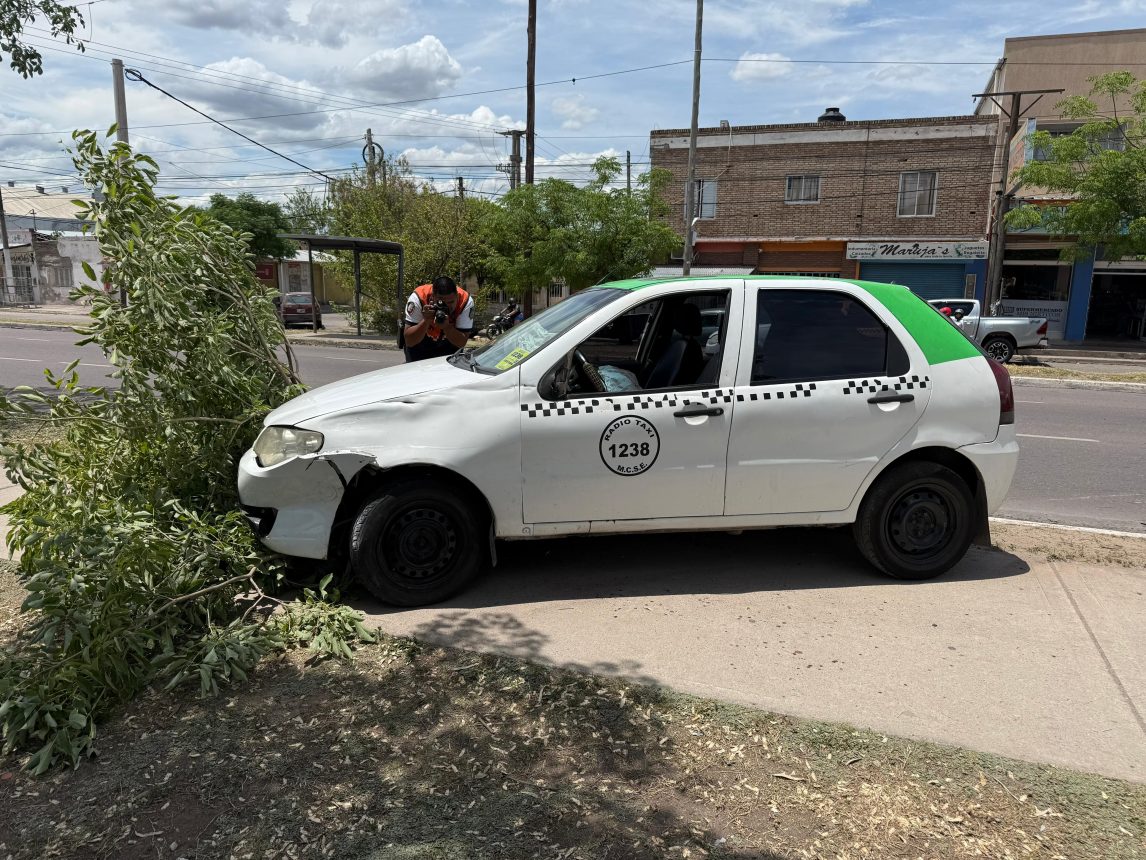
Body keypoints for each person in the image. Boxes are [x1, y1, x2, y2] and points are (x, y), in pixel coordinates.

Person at [402, 276, 475, 362]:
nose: (447, 306)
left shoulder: (465, 301)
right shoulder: (419, 297)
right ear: (433, 297)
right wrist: (425, 321)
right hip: (419, 348)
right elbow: (409, 341)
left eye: (451, 302)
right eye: (442, 302)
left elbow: (461, 343)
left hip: (449, 349)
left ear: (457, 296)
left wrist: (447, 327)